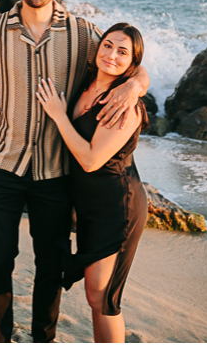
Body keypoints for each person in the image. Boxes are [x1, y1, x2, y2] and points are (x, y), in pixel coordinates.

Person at [0, 0, 150, 343]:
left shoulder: (83, 34)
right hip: (1, 166)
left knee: (51, 269)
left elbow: (126, 55)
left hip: (56, 174)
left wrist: (134, 85)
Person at [36, 23, 149, 343]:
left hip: (117, 206)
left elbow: (90, 159)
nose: (112, 55)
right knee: (93, 295)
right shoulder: (86, 84)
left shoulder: (125, 104)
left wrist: (59, 115)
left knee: (105, 300)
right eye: (108, 45)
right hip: (88, 205)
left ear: (132, 62)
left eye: (122, 51)